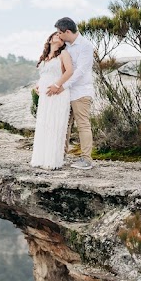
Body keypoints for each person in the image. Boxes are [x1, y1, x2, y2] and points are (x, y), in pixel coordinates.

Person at [54, 17, 95, 170]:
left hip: (81, 91)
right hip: (66, 92)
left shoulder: (85, 46)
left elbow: (81, 71)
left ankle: (86, 159)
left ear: (68, 31)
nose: (58, 36)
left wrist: (64, 86)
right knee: (65, 124)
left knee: (83, 125)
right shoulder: (66, 47)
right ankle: (61, 155)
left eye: (60, 33)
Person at [30, 30, 74, 169]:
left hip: (58, 93)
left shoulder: (64, 54)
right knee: (44, 124)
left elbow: (69, 71)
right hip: (45, 95)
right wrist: (38, 85)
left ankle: (52, 160)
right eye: (56, 35)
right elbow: (45, 75)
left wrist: (57, 85)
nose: (59, 37)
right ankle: (40, 158)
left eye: (61, 36)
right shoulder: (45, 57)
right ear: (50, 40)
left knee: (55, 125)